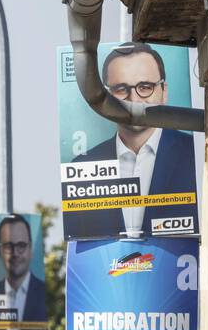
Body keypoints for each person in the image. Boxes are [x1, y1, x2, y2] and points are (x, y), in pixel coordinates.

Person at [67, 42, 199, 238]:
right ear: (104, 96)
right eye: (121, 89)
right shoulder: (82, 168)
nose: (134, 99)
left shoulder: (194, 155)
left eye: (145, 87)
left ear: (164, 91)